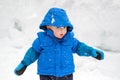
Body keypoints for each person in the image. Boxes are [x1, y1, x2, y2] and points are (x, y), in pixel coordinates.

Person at [14, 7, 104, 80]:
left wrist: (91, 51)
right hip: (46, 74)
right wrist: (24, 64)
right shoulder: (42, 40)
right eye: (58, 27)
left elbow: (80, 47)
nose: (62, 30)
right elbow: (33, 53)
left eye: (64, 27)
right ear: (48, 26)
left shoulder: (70, 40)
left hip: (66, 74)